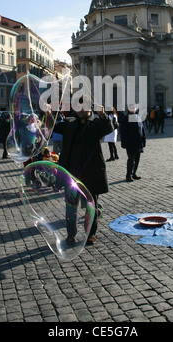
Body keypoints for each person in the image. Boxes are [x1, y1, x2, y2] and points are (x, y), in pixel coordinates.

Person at [52, 96, 114, 245]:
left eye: (83, 107)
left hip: (91, 173)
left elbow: (109, 127)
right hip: (72, 173)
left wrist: (103, 115)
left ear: (90, 108)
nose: (80, 110)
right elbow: (53, 127)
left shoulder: (97, 123)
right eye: (78, 107)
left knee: (90, 206)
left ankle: (91, 233)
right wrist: (49, 115)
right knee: (70, 207)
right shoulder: (69, 123)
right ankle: (71, 234)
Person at [120, 106, 146, 182]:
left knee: (137, 159)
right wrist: (124, 142)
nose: (133, 109)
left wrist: (144, 140)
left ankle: (134, 173)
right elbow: (123, 132)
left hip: (138, 142)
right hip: (130, 142)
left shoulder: (139, 117)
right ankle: (128, 175)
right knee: (131, 159)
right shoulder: (125, 118)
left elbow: (142, 129)